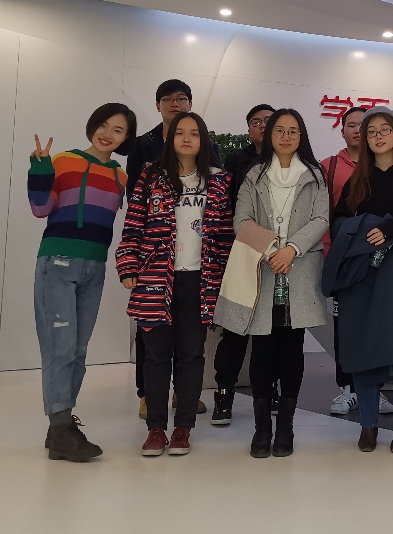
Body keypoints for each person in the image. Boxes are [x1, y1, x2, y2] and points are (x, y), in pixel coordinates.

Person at [116, 112, 233, 457]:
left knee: (191, 354)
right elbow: (133, 225)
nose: (186, 138)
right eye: (180, 132)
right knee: (155, 356)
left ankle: (183, 428)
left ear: (203, 140)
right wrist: (128, 265)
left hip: (201, 280)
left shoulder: (219, 181)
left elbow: (225, 235)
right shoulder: (151, 176)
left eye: (194, 133)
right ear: (170, 139)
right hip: (155, 278)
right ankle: (155, 429)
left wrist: (225, 277)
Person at [216, 108, 329, 458]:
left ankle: (286, 428)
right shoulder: (254, 174)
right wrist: (270, 249)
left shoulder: (314, 175)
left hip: (300, 269)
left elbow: (321, 218)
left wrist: (292, 249)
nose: (285, 136)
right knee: (262, 352)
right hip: (262, 270)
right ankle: (262, 428)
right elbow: (241, 220)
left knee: (292, 351)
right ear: (269, 135)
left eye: (293, 131)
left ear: (301, 136)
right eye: (279, 130)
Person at [28, 102, 137, 462]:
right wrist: (40, 169)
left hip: (95, 267)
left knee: (77, 350)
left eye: (118, 130)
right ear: (92, 125)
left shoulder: (120, 177)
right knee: (59, 347)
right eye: (104, 125)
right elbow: (40, 209)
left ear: (126, 138)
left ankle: (60, 427)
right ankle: (61, 427)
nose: (108, 134)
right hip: (58, 262)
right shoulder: (63, 160)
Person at [327, 107, 393, 453]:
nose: (377, 136)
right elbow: (338, 221)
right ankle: (368, 426)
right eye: (370, 132)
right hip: (363, 273)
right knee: (364, 346)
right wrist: (367, 228)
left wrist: (389, 229)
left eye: (384, 130)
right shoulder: (358, 179)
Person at [125, 79, 209, 419]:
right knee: (150, 339)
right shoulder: (143, 145)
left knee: (190, 345)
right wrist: (133, 260)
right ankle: (147, 394)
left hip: (195, 269)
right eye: (168, 99)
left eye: (182, 98)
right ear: (157, 105)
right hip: (155, 264)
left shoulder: (208, 152)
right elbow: (135, 205)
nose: (175, 103)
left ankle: (182, 396)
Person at [210, 102, 275, 426]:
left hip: (278, 255)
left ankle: (269, 392)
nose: (262, 126)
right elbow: (225, 207)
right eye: (256, 122)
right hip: (242, 251)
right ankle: (223, 394)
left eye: (268, 121)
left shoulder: (291, 161)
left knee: (270, 331)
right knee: (235, 328)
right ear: (248, 129)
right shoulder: (236, 160)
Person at [320, 107, 381, 416]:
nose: (357, 130)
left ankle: (373, 389)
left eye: (363, 125)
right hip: (343, 260)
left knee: (376, 324)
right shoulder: (328, 167)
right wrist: (331, 253)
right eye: (351, 125)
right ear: (342, 130)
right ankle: (347, 389)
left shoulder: (384, 165)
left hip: (379, 261)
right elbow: (322, 215)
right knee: (345, 327)